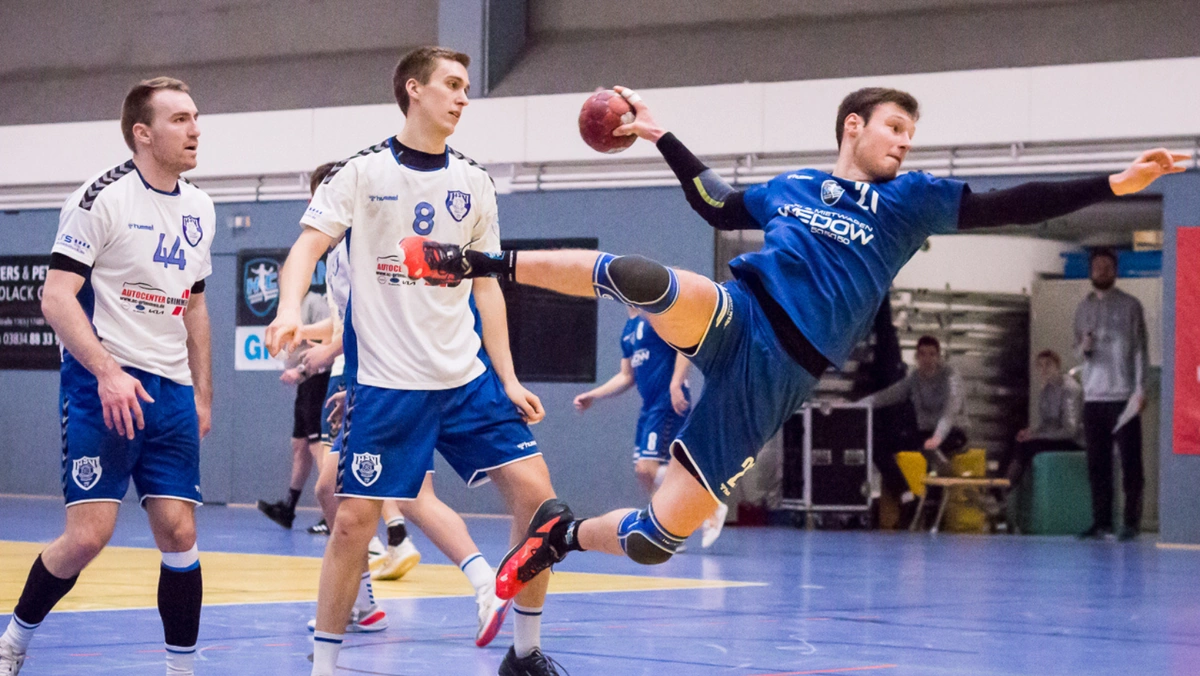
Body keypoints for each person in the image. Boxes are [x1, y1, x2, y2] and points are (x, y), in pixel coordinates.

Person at [401, 85, 1185, 601]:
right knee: (643, 279)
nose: (906, 144)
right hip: (742, 311)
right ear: (856, 126)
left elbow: (1009, 201)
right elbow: (714, 201)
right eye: (896, 129)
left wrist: (1108, 184)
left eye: (913, 133)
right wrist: (665, 135)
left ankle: (560, 534)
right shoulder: (795, 187)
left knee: (656, 541)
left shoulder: (909, 204)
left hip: (778, 379)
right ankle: (478, 261)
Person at [265, 47, 564, 676]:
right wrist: (289, 307)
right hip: (386, 386)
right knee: (351, 522)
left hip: (466, 380)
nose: (462, 97)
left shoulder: (475, 180)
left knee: (540, 502)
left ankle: (526, 653)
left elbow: (487, 287)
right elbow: (305, 248)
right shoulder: (361, 172)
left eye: (465, 87)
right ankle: (325, 665)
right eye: (451, 85)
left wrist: (508, 376)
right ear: (414, 90)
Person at [0, 77, 214, 676]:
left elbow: (194, 306)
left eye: (196, 117)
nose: (195, 129)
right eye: (179, 120)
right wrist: (109, 373)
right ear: (142, 134)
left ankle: (181, 668)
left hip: (170, 391)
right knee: (89, 535)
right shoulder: (100, 201)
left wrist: (202, 392)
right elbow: (55, 298)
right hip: (102, 389)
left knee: (178, 530)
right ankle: (14, 639)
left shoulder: (201, 207)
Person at [299, 209, 507, 646]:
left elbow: (378, 321)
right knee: (330, 490)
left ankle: (486, 582)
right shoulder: (341, 252)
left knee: (409, 497)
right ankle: (365, 603)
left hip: (398, 385)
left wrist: (348, 376)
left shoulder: (377, 248)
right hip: (378, 382)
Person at [574, 309, 727, 547]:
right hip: (649, 407)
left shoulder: (655, 315)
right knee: (645, 472)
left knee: (648, 468)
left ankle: (708, 505)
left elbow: (684, 344)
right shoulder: (628, 330)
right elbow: (626, 376)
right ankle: (671, 532)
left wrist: (676, 382)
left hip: (667, 400)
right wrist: (593, 395)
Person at [1074, 248, 1149, 542]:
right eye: (1097, 266)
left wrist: (1140, 389)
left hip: (1124, 395)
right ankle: (1101, 521)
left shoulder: (1131, 305)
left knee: (1131, 463)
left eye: (1107, 266)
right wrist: (1084, 347)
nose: (1102, 271)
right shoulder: (1082, 308)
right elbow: (1075, 350)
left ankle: (1131, 522)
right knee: (1097, 464)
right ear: (1091, 271)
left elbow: (1141, 348)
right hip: (1093, 395)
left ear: (1115, 271)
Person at [257, 284, 331, 530]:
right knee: (300, 445)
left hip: (319, 379)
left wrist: (301, 369)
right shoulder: (294, 309)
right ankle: (288, 507)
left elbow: (328, 343)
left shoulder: (315, 304)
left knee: (317, 444)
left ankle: (330, 513)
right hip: (305, 382)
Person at [863, 335, 967, 476]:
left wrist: (938, 437)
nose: (927, 359)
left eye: (932, 354)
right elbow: (886, 396)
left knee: (928, 450)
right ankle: (905, 492)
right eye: (922, 354)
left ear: (939, 357)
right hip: (925, 432)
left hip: (953, 431)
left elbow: (950, 411)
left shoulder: (950, 376)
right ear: (916, 357)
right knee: (888, 447)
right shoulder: (914, 378)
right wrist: (856, 406)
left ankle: (938, 483)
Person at [1004, 349, 1082, 486]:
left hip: (1073, 441)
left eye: (1048, 364)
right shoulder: (1046, 389)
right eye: (1040, 365)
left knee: (1027, 446)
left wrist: (1037, 436)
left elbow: (1070, 431)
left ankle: (1006, 486)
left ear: (1057, 366)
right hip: (1054, 437)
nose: (1044, 369)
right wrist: (1032, 432)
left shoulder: (1069, 389)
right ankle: (1000, 487)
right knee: (1015, 440)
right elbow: (1046, 424)